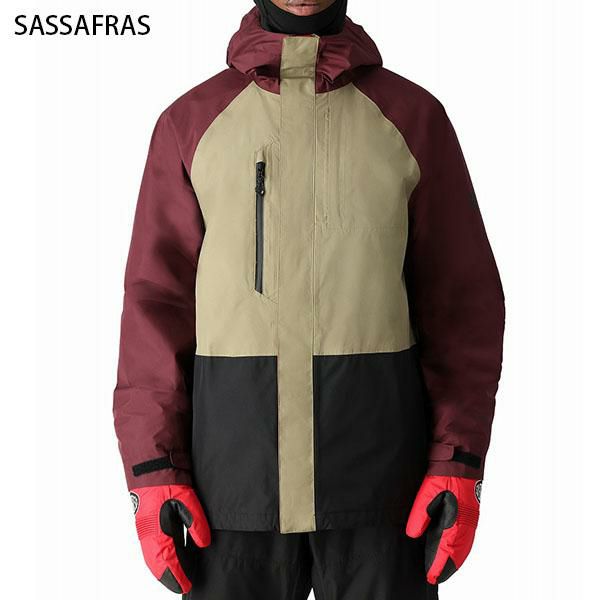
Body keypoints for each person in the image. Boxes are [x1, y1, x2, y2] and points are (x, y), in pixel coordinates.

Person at [113, 1, 505, 598]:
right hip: (228, 495)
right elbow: (155, 305)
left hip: (385, 491)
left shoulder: (412, 118)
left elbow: (462, 304)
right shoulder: (191, 123)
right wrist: (153, 468)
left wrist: (459, 458)